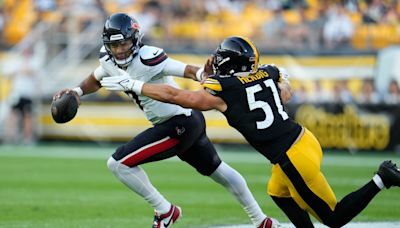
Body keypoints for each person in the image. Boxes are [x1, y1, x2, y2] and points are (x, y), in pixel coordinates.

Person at [101, 36, 400, 227]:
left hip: (291, 156)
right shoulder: (268, 72)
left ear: (229, 64)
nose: (215, 61)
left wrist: (137, 85)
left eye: (220, 58)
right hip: (303, 140)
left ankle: (381, 178)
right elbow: (285, 91)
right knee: (278, 194)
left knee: (333, 218)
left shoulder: (224, 89)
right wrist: (280, 80)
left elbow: (182, 97)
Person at [53, 14, 279, 228]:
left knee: (119, 163)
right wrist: (76, 92)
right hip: (185, 122)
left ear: (135, 40)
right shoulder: (108, 58)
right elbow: (97, 78)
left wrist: (203, 74)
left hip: (179, 123)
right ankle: (261, 220)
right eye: (114, 46)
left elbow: (188, 70)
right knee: (219, 171)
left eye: (123, 44)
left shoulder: (148, 56)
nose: (119, 51)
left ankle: (164, 210)